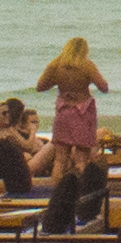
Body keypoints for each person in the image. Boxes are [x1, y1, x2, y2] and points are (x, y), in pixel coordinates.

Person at [36, 37, 110, 176]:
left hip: (64, 112)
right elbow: (103, 87)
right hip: (82, 113)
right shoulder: (87, 65)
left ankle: (58, 188)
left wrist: (59, 83)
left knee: (60, 160)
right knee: (82, 159)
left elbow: (40, 86)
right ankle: (80, 188)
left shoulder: (55, 64)